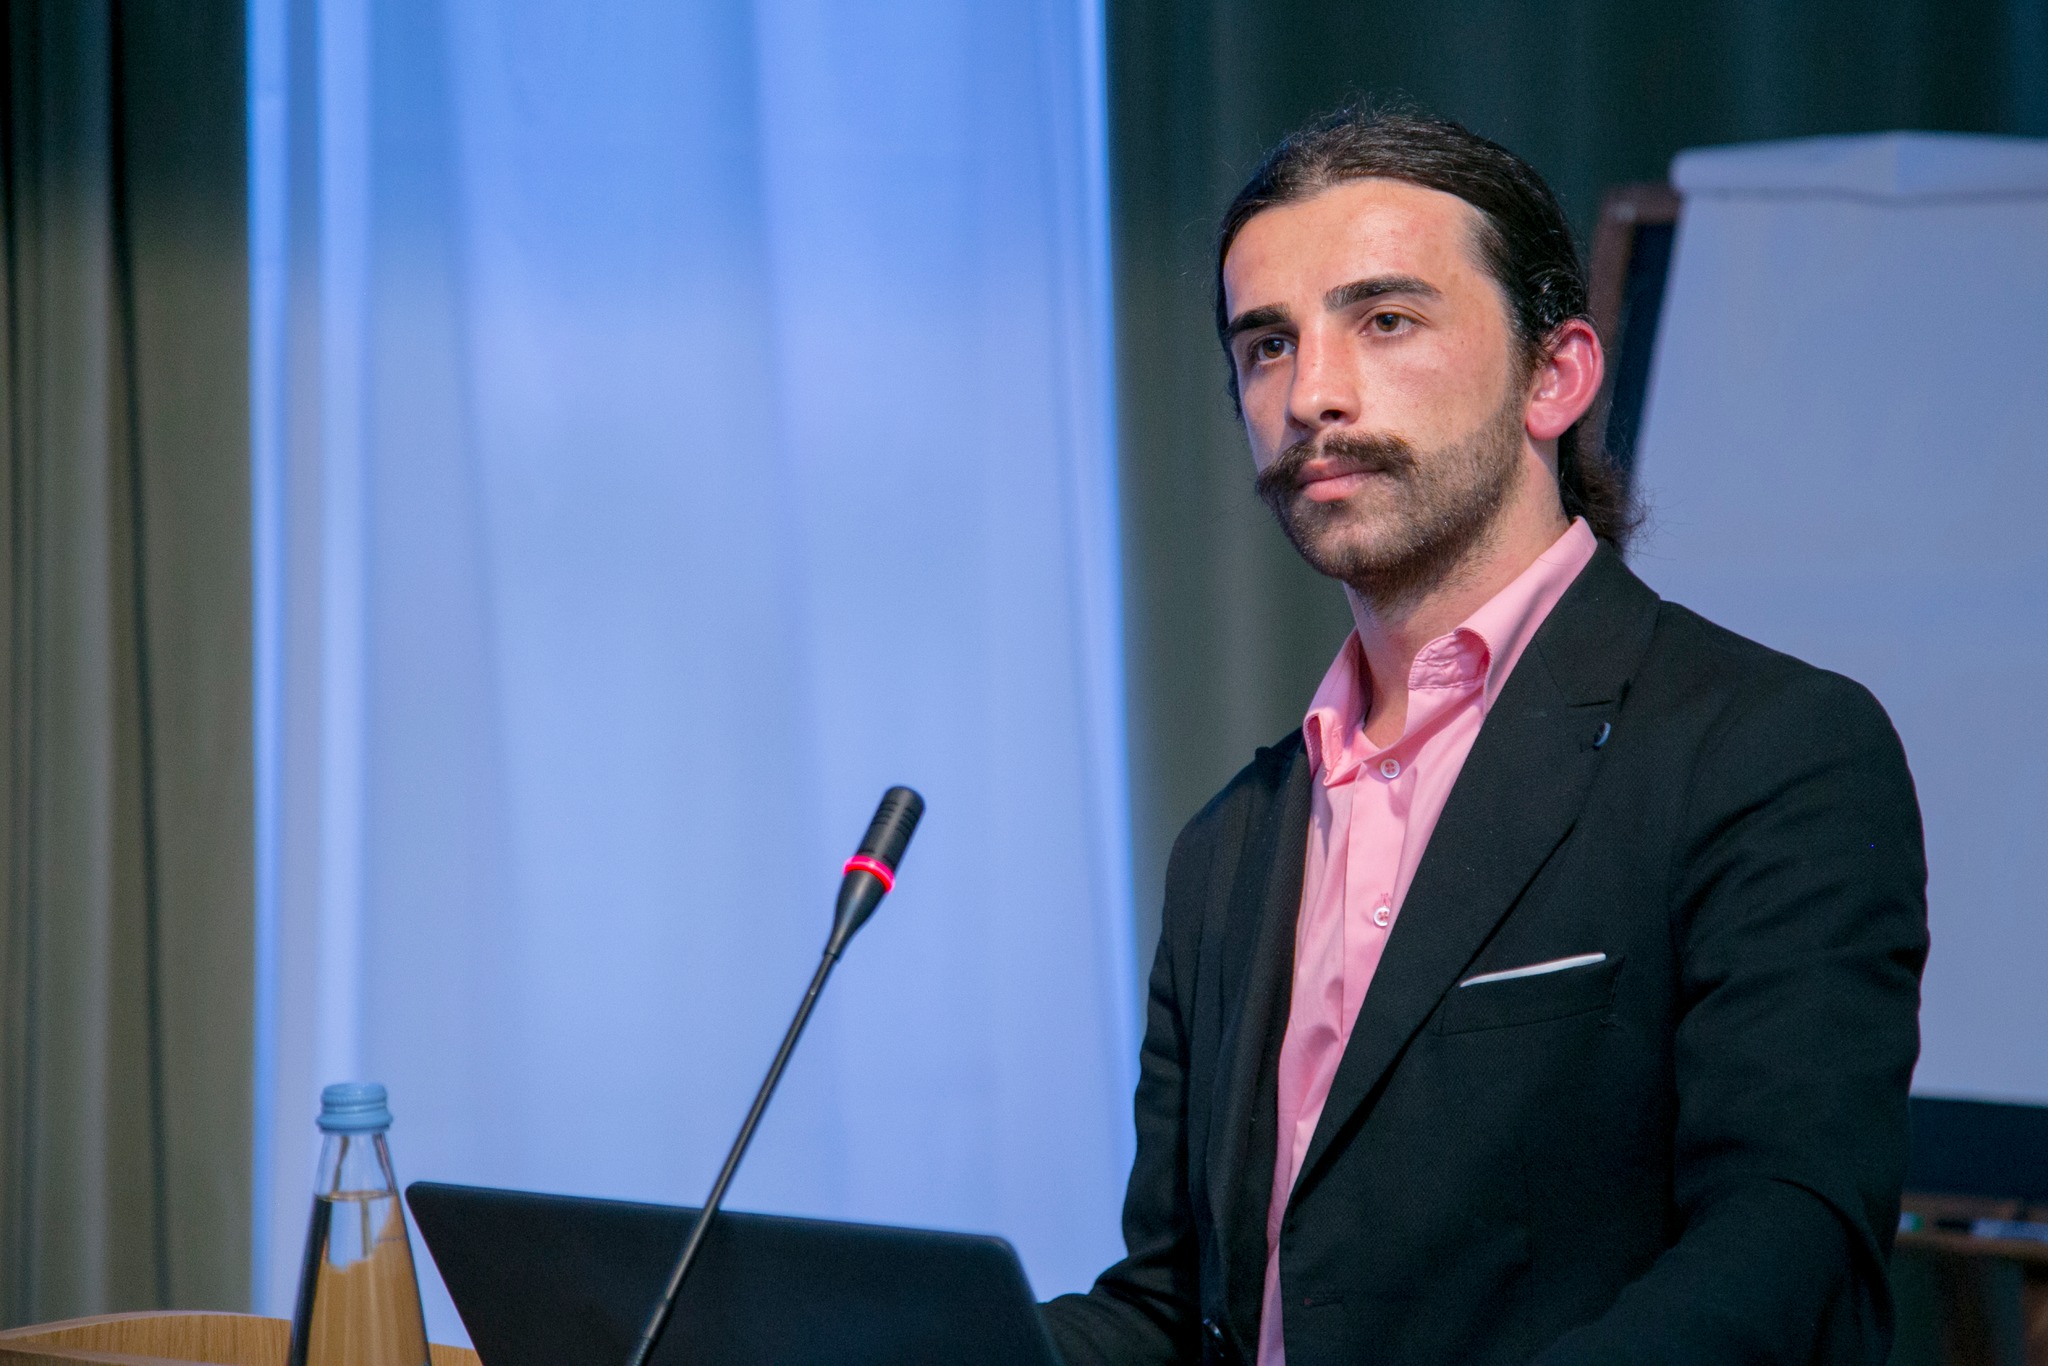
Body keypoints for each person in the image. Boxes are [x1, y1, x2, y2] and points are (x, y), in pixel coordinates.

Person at [1041, 108, 1928, 1366]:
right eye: (1266, 344)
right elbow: (1175, 1312)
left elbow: (1786, 1254)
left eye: (1384, 320)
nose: (1310, 394)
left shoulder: (1768, 751)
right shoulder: (1227, 846)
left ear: (1553, 375)